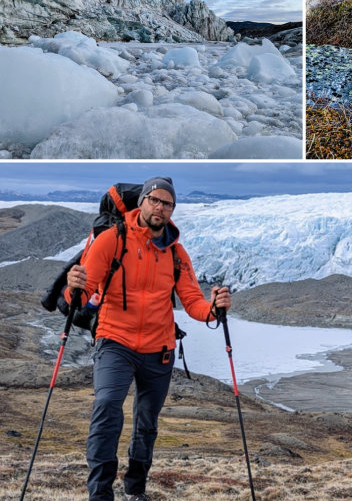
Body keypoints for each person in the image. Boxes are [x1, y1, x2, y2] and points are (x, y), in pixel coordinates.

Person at [66, 176, 231, 501]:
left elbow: (193, 301)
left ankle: (135, 490)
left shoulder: (176, 253)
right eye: (154, 200)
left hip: (160, 350)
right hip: (115, 341)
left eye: (167, 203)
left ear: (172, 209)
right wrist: (74, 287)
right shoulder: (111, 240)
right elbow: (84, 294)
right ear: (142, 202)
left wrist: (214, 309)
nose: (160, 207)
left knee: (147, 422)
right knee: (107, 407)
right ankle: (100, 494)